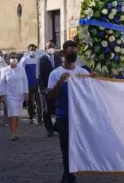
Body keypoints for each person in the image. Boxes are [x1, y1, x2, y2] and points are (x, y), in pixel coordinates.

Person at [48, 40, 89, 183]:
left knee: (77, 147)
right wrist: (60, 83)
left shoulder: (83, 72)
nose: (73, 54)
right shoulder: (55, 73)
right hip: (64, 116)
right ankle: (69, 174)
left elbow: (91, 93)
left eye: (75, 51)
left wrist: (96, 79)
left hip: (80, 117)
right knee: (66, 147)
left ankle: (69, 174)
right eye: (71, 52)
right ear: (64, 53)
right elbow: (51, 96)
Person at [0, 52, 29, 141]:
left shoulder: (22, 69)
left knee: (17, 114)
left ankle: (15, 131)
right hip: (9, 94)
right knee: (11, 112)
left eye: (16, 57)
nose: (14, 59)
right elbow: (2, 83)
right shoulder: (4, 70)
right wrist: (2, 94)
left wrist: (26, 93)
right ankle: (12, 132)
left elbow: (25, 81)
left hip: (19, 94)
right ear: (9, 59)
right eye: (12, 57)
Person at [36, 41, 62, 137]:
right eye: (49, 47)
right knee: (46, 110)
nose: (51, 48)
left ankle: (57, 126)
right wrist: (42, 88)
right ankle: (49, 128)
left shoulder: (57, 58)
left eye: (53, 46)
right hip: (45, 88)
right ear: (45, 49)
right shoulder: (41, 59)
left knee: (57, 108)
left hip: (56, 87)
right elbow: (38, 75)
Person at [21, 44, 42, 125]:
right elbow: (21, 71)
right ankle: (30, 117)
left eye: (34, 49)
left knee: (39, 102)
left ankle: (40, 119)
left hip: (37, 84)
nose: (32, 51)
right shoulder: (24, 59)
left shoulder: (38, 59)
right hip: (28, 84)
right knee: (29, 102)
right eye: (31, 49)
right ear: (28, 50)